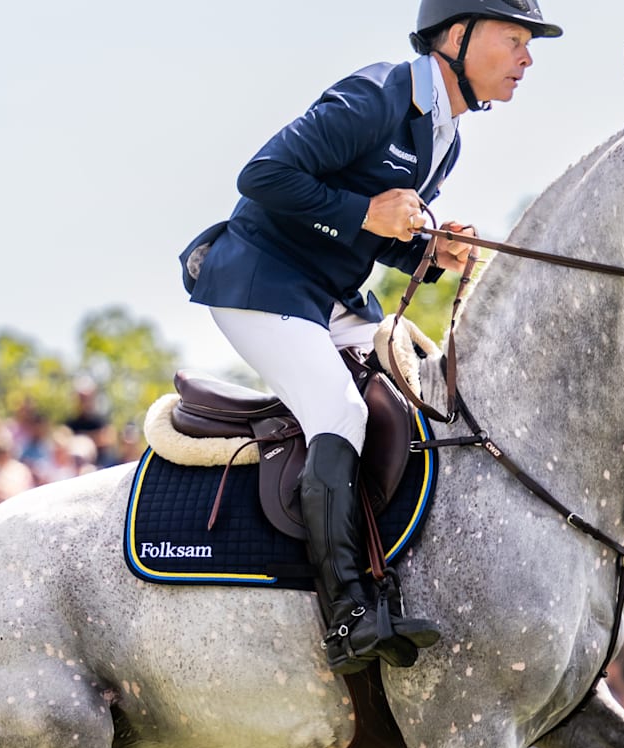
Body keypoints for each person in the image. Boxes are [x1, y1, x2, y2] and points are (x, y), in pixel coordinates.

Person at [180, 0, 557, 673]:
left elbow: (379, 236)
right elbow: (261, 178)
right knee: (340, 410)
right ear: (458, 34)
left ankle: (393, 575)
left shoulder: (448, 138)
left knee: (422, 396)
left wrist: (427, 254)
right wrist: (366, 212)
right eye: (516, 39)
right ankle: (348, 613)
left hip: (329, 297)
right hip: (260, 280)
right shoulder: (375, 97)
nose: (527, 59)